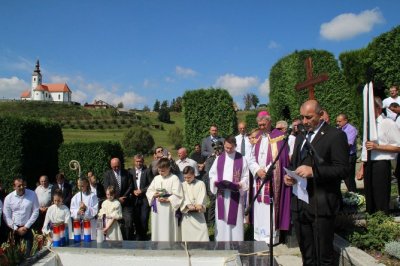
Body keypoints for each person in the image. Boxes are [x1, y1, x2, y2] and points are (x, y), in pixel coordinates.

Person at [284, 100, 349, 265]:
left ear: (321, 115)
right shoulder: (300, 137)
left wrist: (314, 172)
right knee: (307, 255)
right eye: (302, 117)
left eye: (308, 117)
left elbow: (342, 169)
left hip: (321, 204)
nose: (304, 121)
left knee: (323, 257)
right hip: (299, 204)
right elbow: (295, 164)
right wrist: (290, 176)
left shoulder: (335, 135)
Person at [248, 111, 291, 243]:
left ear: (269, 122)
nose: (261, 127)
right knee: (259, 206)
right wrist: (256, 170)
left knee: (269, 208)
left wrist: (266, 171)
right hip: (258, 178)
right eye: (259, 125)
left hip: (271, 179)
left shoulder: (280, 137)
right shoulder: (258, 137)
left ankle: (270, 238)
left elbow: (280, 159)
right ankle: (259, 236)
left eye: (263, 124)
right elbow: (250, 157)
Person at [357, 97, 400, 214]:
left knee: (380, 196)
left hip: (381, 164)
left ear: (378, 108)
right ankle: (372, 221)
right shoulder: (368, 124)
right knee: (370, 196)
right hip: (369, 163)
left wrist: (378, 147)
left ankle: (382, 221)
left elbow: (398, 147)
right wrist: (362, 167)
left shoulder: (388, 123)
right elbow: (366, 148)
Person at [209, 136, 249, 241]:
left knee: (236, 219)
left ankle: (237, 242)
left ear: (235, 146)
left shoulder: (241, 159)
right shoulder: (219, 158)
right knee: (222, 219)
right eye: (226, 147)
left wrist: (241, 184)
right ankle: (222, 241)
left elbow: (246, 177)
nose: (228, 150)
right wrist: (215, 182)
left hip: (235, 195)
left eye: (230, 148)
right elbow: (212, 174)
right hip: (222, 194)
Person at [146, 158, 183, 241]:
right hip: (158, 208)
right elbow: (149, 191)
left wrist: (168, 199)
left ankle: (170, 243)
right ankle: (157, 243)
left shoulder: (174, 178)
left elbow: (179, 194)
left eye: (163, 171)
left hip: (169, 208)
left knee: (168, 226)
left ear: (169, 168)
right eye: (159, 171)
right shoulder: (156, 178)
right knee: (158, 226)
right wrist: (154, 194)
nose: (160, 173)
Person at [3, 177, 39, 256]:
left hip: (28, 228)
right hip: (14, 230)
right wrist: (16, 228)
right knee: (15, 256)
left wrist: (26, 226)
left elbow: (36, 211)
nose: (22, 187)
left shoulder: (32, 194)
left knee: (29, 254)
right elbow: (6, 216)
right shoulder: (8, 198)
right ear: (14, 187)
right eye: (19, 186)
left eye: (23, 185)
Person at [103, 157, 134, 240]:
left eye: (118, 166)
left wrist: (124, 196)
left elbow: (130, 186)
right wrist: (117, 198)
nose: (116, 168)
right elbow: (106, 188)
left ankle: (128, 241)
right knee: (115, 223)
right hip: (113, 203)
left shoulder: (127, 173)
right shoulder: (107, 175)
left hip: (126, 203)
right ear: (111, 166)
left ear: (120, 165)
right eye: (114, 167)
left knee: (128, 222)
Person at [180, 166, 209, 242]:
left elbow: (202, 195)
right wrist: (187, 205)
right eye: (185, 177)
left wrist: (199, 204)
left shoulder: (200, 183)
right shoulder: (182, 185)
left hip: (198, 213)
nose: (187, 179)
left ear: (194, 175)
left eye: (189, 177)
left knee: (202, 231)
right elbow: (182, 197)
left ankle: (203, 248)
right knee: (188, 234)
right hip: (187, 214)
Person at [128, 154, 151, 240]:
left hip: (144, 198)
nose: (139, 163)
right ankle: (138, 235)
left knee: (144, 218)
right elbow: (128, 185)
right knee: (136, 218)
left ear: (143, 161)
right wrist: (133, 191)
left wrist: (142, 190)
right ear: (134, 162)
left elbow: (151, 184)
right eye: (137, 161)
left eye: (140, 161)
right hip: (134, 199)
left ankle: (144, 235)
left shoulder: (148, 171)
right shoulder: (130, 172)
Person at [203, 140, 224, 227]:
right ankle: (211, 221)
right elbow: (208, 173)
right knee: (213, 202)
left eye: (219, 148)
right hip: (212, 183)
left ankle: (221, 220)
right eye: (215, 149)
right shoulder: (210, 159)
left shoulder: (225, 158)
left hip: (223, 184)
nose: (217, 150)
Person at [336, 113, 358, 192]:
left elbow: (349, 144)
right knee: (345, 177)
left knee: (349, 177)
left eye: (339, 121)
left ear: (345, 120)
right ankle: (351, 193)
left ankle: (354, 194)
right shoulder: (340, 129)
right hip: (344, 156)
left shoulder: (351, 129)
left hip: (350, 156)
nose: (338, 123)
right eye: (337, 121)